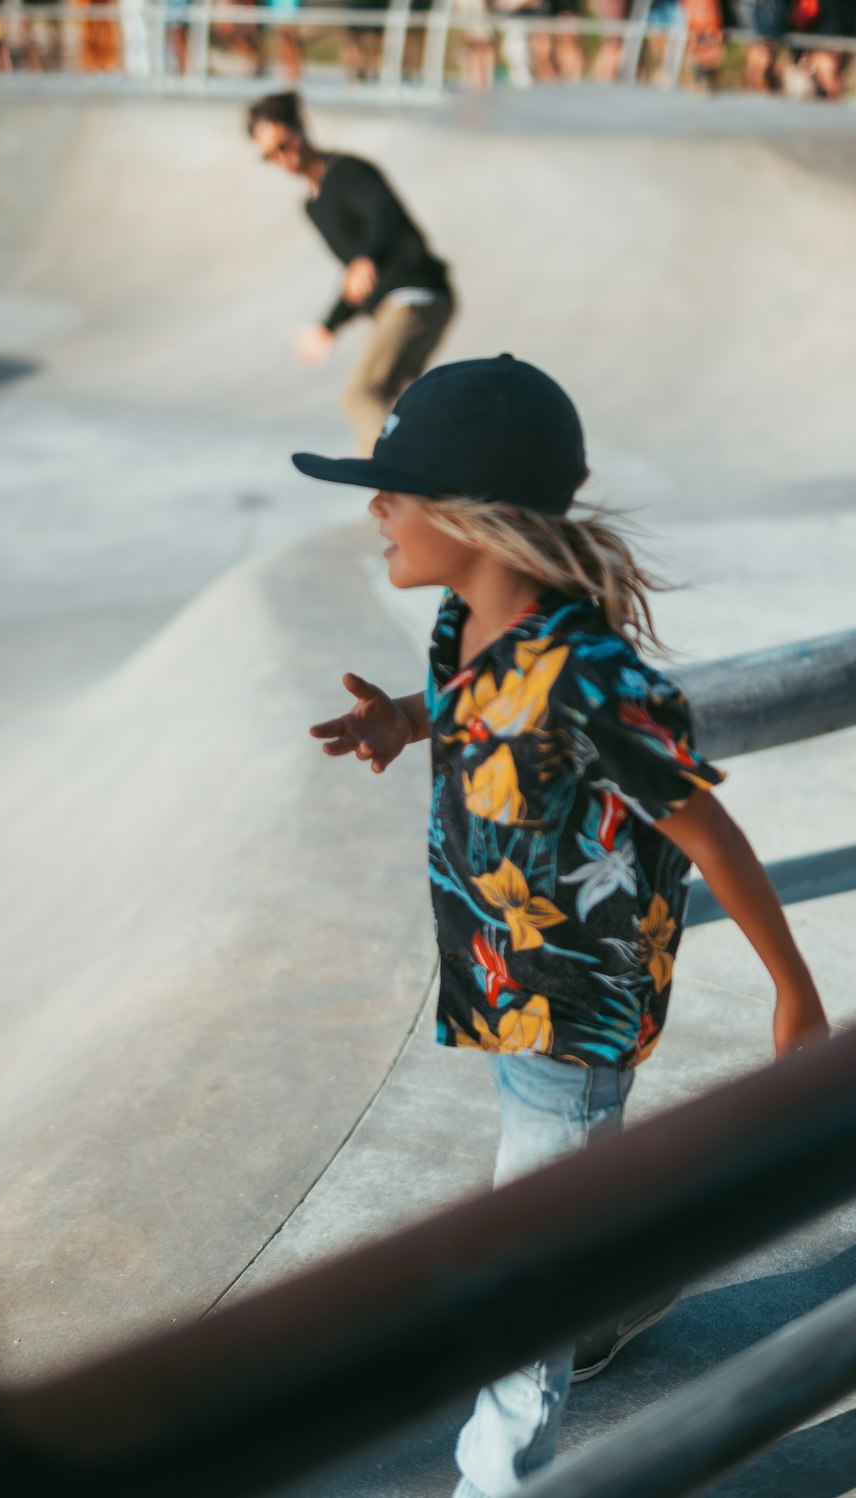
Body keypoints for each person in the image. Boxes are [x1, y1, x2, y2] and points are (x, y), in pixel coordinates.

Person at [297, 355, 829, 1495]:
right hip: (503, 975)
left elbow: (707, 835)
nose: (374, 508)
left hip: (574, 1008)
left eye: (397, 489)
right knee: (570, 1193)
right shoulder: (464, 624)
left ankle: (500, 1474)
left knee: (525, 1269)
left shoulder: (592, 676)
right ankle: (618, 1296)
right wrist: (405, 716)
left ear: (476, 517)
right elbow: (481, 703)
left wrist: (793, 990)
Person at [246, 91, 455, 455]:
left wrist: (365, 256)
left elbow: (386, 215)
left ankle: (403, 489)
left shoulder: (348, 171)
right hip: (415, 299)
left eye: (285, 144)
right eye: (271, 155)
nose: (284, 158)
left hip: (411, 294)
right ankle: (409, 497)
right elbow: (357, 281)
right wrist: (329, 325)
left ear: (301, 128)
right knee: (397, 404)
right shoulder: (313, 204)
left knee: (360, 396)